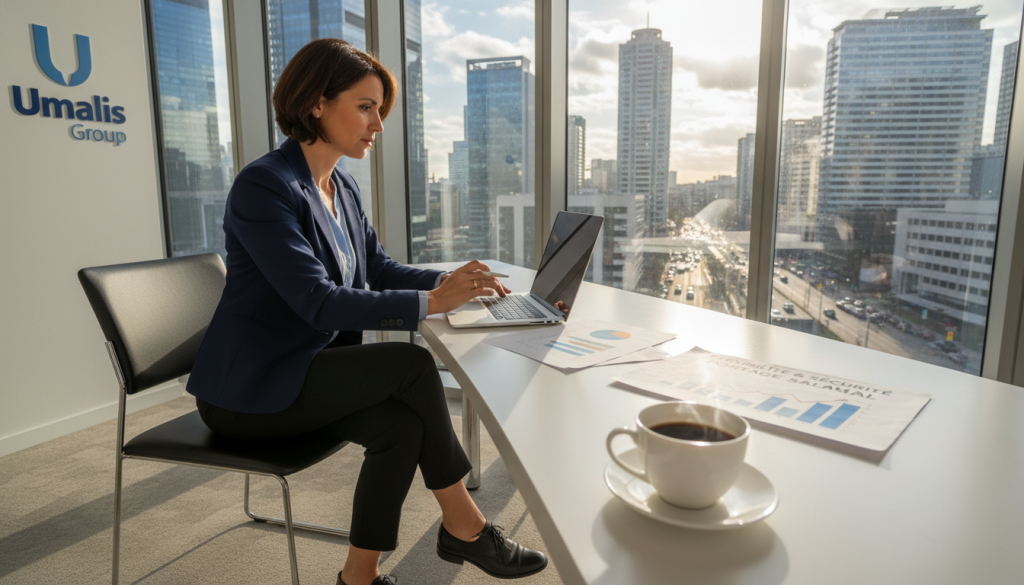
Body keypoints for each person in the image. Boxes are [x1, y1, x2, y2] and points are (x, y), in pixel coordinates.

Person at [186, 38, 547, 585]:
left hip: (306, 372)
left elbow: (375, 268)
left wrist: (452, 284)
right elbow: (318, 302)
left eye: (380, 109)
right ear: (315, 103)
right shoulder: (265, 186)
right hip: (250, 390)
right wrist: (431, 303)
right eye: (365, 106)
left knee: (401, 427)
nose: (378, 123)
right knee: (411, 366)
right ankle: (465, 526)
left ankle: (359, 578)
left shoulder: (341, 186)